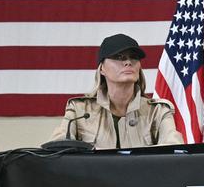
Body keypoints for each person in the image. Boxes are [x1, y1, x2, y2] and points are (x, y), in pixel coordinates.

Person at [49, 33, 183, 148]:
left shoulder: (158, 111)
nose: (128, 62)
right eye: (119, 57)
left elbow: (174, 151)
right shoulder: (79, 110)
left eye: (134, 57)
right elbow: (58, 149)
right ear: (102, 68)